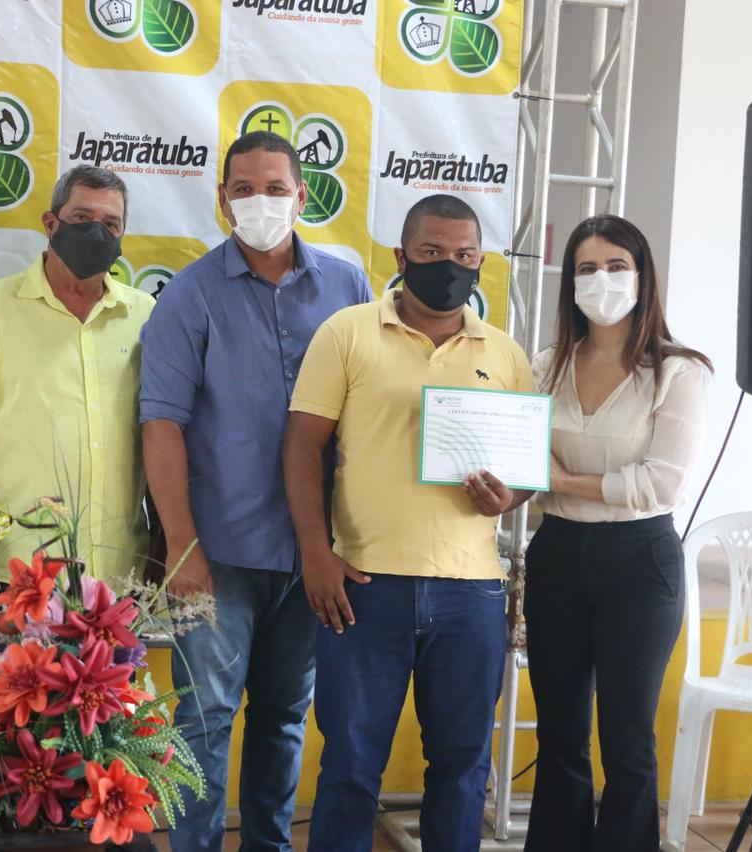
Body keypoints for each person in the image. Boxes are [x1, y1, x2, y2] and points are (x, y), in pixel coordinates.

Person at [139, 130, 372, 851]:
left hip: (315, 557)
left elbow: (370, 412)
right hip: (220, 553)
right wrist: (182, 547)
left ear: (302, 197)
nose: (260, 202)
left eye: (275, 188)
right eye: (244, 189)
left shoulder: (348, 288)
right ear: (222, 200)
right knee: (202, 722)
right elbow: (162, 426)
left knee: (283, 718)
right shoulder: (190, 295)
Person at [284, 194, 532, 852]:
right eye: (431, 252)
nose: (448, 265)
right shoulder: (347, 332)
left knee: (462, 766)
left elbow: (525, 470)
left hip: (471, 592)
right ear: (401, 257)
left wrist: (506, 496)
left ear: (481, 263)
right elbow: (302, 447)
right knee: (350, 765)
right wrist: (315, 552)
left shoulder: (506, 354)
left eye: (464, 255)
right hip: (364, 585)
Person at [524, 214, 710, 851]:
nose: (601, 280)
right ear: (569, 282)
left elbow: (661, 485)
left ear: (642, 276)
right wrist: (522, 481)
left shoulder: (679, 372)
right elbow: (522, 461)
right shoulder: (546, 366)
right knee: (559, 734)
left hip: (640, 561)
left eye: (615, 266)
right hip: (556, 552)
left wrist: (559, 479)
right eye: (586, 268)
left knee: (628, 739)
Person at [0, 166, 153, 608]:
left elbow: (162, 432)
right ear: (51, 223)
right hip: (17, 576)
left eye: (111, 224)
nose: (97, 231)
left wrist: (164, 540)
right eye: (82, 217)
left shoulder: (144, 316)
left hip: (119, 575)